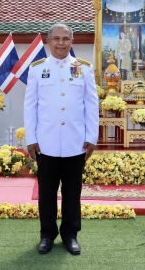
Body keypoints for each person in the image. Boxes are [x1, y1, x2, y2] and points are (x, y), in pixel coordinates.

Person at [24, 23, 99, 255]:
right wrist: (31, 138)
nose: (60, 43)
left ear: (72, 41)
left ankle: (70, 235)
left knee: (72, 192)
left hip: (75, 142)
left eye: (65, 38)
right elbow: (30, 106)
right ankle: (46, 234)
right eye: (56, 38)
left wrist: (91, 137)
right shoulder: (37, 69)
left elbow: (91, 105)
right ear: (48, 41)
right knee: (46, 193)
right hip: (45, 143)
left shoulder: (83, 68)